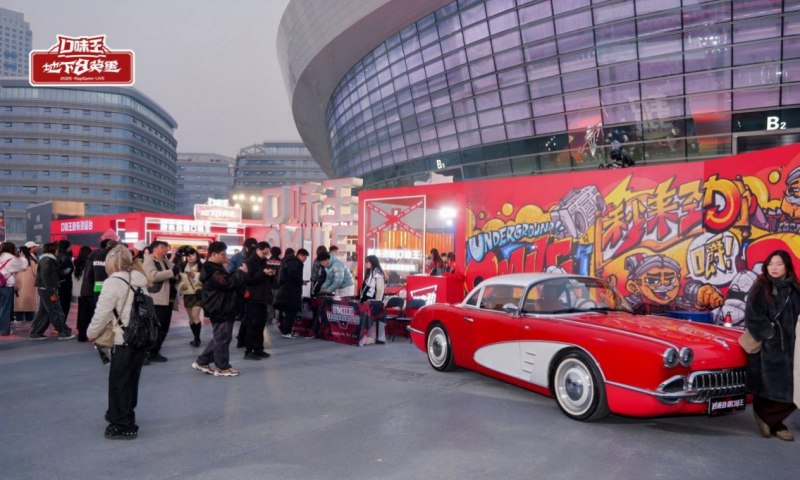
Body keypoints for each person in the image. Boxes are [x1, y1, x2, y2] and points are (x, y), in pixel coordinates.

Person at [87, 245, 150, 440]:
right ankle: (124, 414)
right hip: (140, 337)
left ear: (111, 262)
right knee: (130, 381)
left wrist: (91, 333)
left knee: (118, 382)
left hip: (123, 338)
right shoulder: (140, 279)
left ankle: (123, 425)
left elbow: (102, 313)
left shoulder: (113, 282)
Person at [745, 250, 800, 442]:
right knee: (769, 387)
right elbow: (753, 316)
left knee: (792, 389)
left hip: (792, 347)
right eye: (770, 264)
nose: (774, 268)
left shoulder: (794, 288)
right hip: (768, 348)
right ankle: (776, 423)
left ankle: (768, 418)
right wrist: (770, 335)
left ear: (787, 266)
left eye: (779, 264)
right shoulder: (761, 287)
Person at [192, 241, 249, 377]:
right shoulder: (212, 270)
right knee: (222, 338)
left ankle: (203, 361)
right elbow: (228, 283)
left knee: (221, 337)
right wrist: (241, 273)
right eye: (223, 254)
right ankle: (222, 367)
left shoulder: (215, 268)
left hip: (222, 307)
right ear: (214, 254)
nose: (225, 257)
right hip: (220, 308)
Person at [143, 241, 180, 363]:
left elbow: (175, 272)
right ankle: (146, 353)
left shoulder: (165, 261)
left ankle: (154, 352)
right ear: (155, 249)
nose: (165, 249)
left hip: (168, 299)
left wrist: (177, 275)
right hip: (157, 300)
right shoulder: (149, 261)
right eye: (162, 247)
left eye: (166, 247)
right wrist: (172, 272)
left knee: (164, 327)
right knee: (154, 327)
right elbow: (153, 276)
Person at [29, 243, 74, 340]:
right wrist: (50, 288)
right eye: (56, 249)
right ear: (53, 249)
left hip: (45, 289)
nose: (58, 251)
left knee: (44, 312)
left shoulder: (45, 259)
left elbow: (49, 274)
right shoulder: (48, 260)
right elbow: (45, 275)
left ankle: (36, 332)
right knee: (55, 310)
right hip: (48, 290)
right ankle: (63, 331)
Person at [243, 241, 273, 360]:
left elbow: (267, 281)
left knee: (261, 325)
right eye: (263, 253)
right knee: (252, 325)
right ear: (257, 250)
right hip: (253, 298)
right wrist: (263, 273)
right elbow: (248, 280)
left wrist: (271, 274)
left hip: (263, 297)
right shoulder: (248, 262)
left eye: (267, 254)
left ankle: (258, 348)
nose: (265, 255)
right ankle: (249, 351)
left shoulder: (264, 262)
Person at [274, 248, 309, 339]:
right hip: (291, 291)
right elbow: (292, 274)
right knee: (291, 312)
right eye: (304, 257)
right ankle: (287, 332)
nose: (305, 260)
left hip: (286, 290)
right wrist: (301, 281)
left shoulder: (287, 261)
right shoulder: (295, 262)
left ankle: (285, 330)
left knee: (286, 312)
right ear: (299, 255)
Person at [0, 242, 29, 336]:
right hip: (6, 286)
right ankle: (3, 330)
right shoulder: (12, 259)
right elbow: (24, 267)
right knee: (5, 309)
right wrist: (22, 257)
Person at [179, 248, 204, 347]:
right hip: (187, 294)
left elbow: (205, 280)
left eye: (192, 255)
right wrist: (181, 285)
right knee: (191, 319)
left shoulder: (201, 266)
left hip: (198, 294)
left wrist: (195, 276)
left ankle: (197, 339)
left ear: (197, 256)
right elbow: (178, 279)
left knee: (195, 316)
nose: (190, 257)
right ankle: (195, 337)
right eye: (188, 255)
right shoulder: (182, 267)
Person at [360, 255, 387, 344]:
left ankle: (373, 338)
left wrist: (377, 302)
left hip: (373, 301)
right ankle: (369, 336)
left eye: (367, 262)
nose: (366, 264)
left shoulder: (377, 273)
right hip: (367, 300)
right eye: (366, 262)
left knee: (373, 319)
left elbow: (380, 289)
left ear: (373, 262)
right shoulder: (370, 272)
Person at [73, 245, 93, 341]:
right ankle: (86, 331)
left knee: (81, 312)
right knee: (88, 312)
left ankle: (80, 329)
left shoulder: (76, 263)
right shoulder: (89, 263)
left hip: (79, 291)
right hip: (87, 290)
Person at [14, 245, 38, 323]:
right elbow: (37, 273)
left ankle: (19, 319)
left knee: (18, 304)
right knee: (29, 305)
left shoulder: (16, 261)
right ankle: (29, 319)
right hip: (30, 287)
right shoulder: (33, 261)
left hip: (18, 285)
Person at [57, 240, 74, 323]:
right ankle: (61, 324)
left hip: (55, 283)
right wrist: (62, 277)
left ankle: (57, 323)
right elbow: (68, 269)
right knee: (65, 304)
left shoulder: (55, 254)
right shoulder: (66, 256)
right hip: (64, 284)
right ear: (68, 247)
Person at [265, 246, 282, 326]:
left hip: (269, 285)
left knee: (269, 302)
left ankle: (269, 319)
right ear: (279, 253)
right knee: (278, 302)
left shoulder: (267, 262)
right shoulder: (281, 262)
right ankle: (278, 319)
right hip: (279, 285)